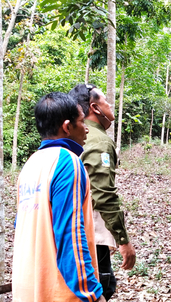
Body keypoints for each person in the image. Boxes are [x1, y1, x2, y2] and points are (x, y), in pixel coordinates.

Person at [12, 92, 106, 302]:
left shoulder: (30, 165)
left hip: (27, 289)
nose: (87, 128)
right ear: (67, 126)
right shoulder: (67, 162)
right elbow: (70, 235)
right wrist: (91, 293)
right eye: (82, 122)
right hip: (58, 292)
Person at [69, 84, 136, 300]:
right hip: (88, 235)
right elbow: (103, 194)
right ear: (95, 107)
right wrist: (122, 239)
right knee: (102, 288)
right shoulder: (98, 141)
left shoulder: (74, 135)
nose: (110, 105)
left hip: (71, 232)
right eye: (106, 101)